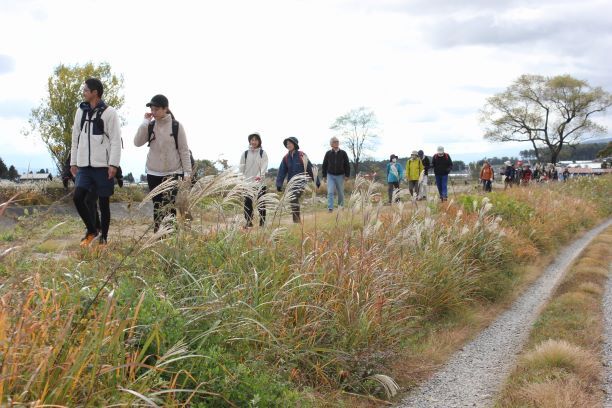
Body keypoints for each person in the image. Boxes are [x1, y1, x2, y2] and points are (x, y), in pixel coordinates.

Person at [70, 78, 122, 247]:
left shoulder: (110, 112)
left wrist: (113, 164)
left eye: (86, 90)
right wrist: (73, 162)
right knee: (79, 198)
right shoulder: (81, 111)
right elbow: (75, 137)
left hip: (103, 166)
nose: (83, 92)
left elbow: (115, 140)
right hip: (84, 165)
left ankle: (104, 239)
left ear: (95, 93)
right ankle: (92, 230)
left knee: (103, 204)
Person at [134, 94, 192, 232]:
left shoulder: (176, 126)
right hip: (153, 172)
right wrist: (144, 123)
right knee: (157, 205)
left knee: (170, 205)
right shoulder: (150, 125)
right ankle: (157, 235)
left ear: (165, 109)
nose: (153, 112)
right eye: (152, 109)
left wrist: (187, 172)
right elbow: (137, 143)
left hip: (173, 172)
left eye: (156, 109)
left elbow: (184, 150)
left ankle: (170, 234)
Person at [276, 137, 320, 223]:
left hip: (301, 182)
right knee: (293, 199)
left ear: (295, 144)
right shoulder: (286, 158)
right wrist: (279, 184)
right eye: (287, 144)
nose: (288, 145)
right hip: (291, 183)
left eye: (290, 143)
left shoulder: (301, 155)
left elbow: (310, 168)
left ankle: (296, 221)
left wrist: (316, 180)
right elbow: (281, 171)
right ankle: (296, 220)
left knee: (294, 198)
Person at [239, 133, 268, 227]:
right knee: (247, 203)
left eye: (256, 140)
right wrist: (240, 180)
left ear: (259, 141)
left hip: (260, 183)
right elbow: (241, 167)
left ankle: (262, 222)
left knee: (261, 202)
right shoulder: (245, 153)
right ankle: (248, 222)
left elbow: (264, 166)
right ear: (249, 141)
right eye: (252, 140)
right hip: (247, 183)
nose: (254, 142)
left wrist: (259, 176)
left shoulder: (262, 153)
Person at [321, 136, 350, 212]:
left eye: (337, 141)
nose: (336, 143)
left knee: (340, 192)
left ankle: (340, 207)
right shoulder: (328, 153)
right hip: (330, 175)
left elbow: (347, 164)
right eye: (334, 142)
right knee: (330, 191)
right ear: (331, 144)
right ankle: (330, 208)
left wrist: (347, 175)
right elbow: (324, 165)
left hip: (340, 175)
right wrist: (324, 175)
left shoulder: (343, 153)